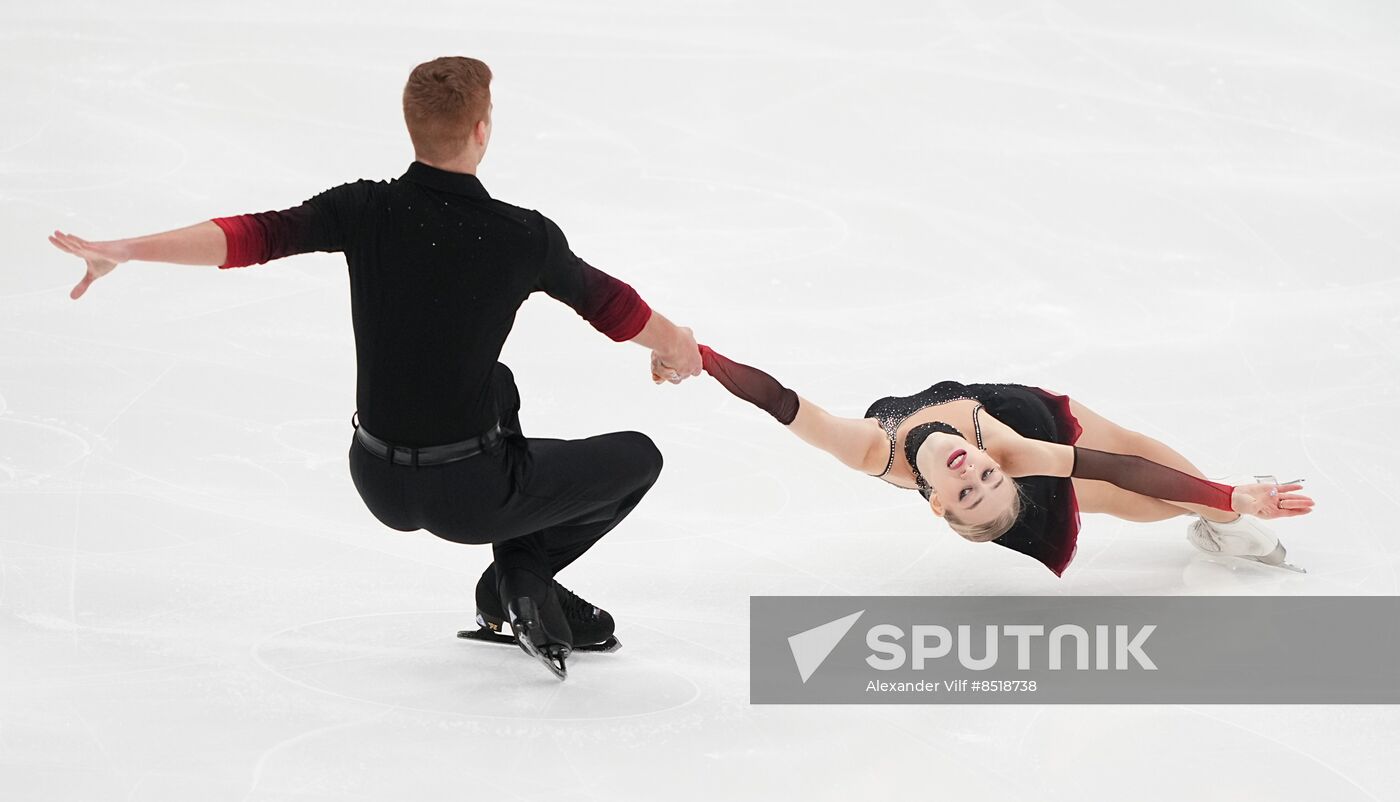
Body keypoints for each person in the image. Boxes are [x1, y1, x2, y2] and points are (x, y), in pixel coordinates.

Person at [48, 56, 704, 680]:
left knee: (498, 385)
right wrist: (675, 344)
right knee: (638, 458)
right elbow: (610, 306)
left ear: (413, 126)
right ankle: (522, 579)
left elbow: (251, 236)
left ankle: (514, 584)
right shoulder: (521, 236)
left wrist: (128, 249)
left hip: (377, 478)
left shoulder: (365, 210)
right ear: (482, 131)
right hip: (470, 496)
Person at [688, 346, 1314, 576]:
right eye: (985, 481)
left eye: (969, 487)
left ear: (934, 501)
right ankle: (1219, 525)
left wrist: (701, 354)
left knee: (1128, 440)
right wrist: (1231, 496)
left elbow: (781, 402)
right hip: (1025, 426)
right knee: (1136, 504)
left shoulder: (868, 449)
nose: (971, 471)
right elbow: (1118, 475)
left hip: (1014, 411)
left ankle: (1222, 524)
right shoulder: (1011, 456)